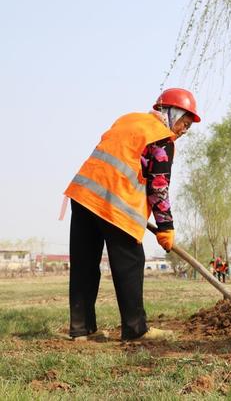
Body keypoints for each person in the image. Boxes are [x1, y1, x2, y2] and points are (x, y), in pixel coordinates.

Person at [64, 88, 202, 341]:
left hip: (83, 195)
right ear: (173, 113)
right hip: (116, 205)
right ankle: (135, 329)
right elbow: (158, 188)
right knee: (130, 263)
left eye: (188, 126)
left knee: (84, 265)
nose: (184, 129)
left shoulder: (129, 119)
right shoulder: (161, 139)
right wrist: (166, 227)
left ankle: (81, 331)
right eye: (184, 122)